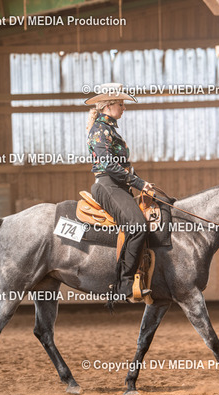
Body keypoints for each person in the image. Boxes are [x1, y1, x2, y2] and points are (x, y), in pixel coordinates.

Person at [85, 83, 152, 300]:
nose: (124, 108)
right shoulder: (100, 130)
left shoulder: (109, 129)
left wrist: (139, 181)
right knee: (138, 226)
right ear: (108, 105)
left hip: (118, 185)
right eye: (121, 104)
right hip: (107, 185)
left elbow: (122, 166)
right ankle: (124, 284)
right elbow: (108, 165)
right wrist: (138, 183)